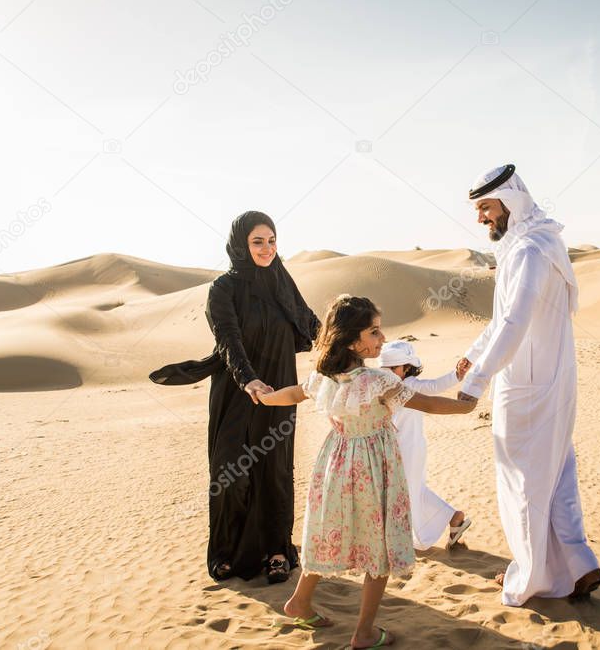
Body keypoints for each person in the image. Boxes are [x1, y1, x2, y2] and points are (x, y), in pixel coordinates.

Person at [257, 295, 476, 648]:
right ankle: (363, 632)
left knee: (327, 531)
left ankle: (299, 602)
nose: (382, 338)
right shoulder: (376, 381)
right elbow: (428, 403)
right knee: (381, 544)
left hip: (336, 464)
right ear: (352, 340)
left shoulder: (324, 378)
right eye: (374, 331)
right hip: (374, 467)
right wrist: (465, 407)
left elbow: (293, 395)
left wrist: (265, 397)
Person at [456, 164, 600, 606]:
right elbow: (506, 318)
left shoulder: (528, 252)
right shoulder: (541, 243)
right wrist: (474, 353)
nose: (481, 218)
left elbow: (515, 322)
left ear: (511, 200)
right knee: (555, 473)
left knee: (522, 482)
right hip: (552, 381)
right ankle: (577, 565)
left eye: (485, 207)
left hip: (526, 386)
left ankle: (531, 576)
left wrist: (477, 380)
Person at [149, 211, 320, 584]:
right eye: (258, 241)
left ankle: (277, 550)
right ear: (241, 244)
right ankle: (227, 552)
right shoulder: (223, 289)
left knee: (275, 471)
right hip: (237, 391)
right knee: (231, 473)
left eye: (272, 240)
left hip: (279, 390)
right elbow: (228, 339)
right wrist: (249, 380)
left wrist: (346, 343)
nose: (267, 248)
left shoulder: (282, 283)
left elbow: (311, 325)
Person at [379, 340, 472, 549]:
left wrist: (456, 375)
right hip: (393, 450)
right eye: (386, 368)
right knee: (412, 490)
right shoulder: (383, 386)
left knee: (407, 492)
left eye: (394, 368)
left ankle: (396, 539)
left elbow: (433, 386)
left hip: (410, 450)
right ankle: (454, 517)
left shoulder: (410, 385)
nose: (389, 372)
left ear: (406, 368)